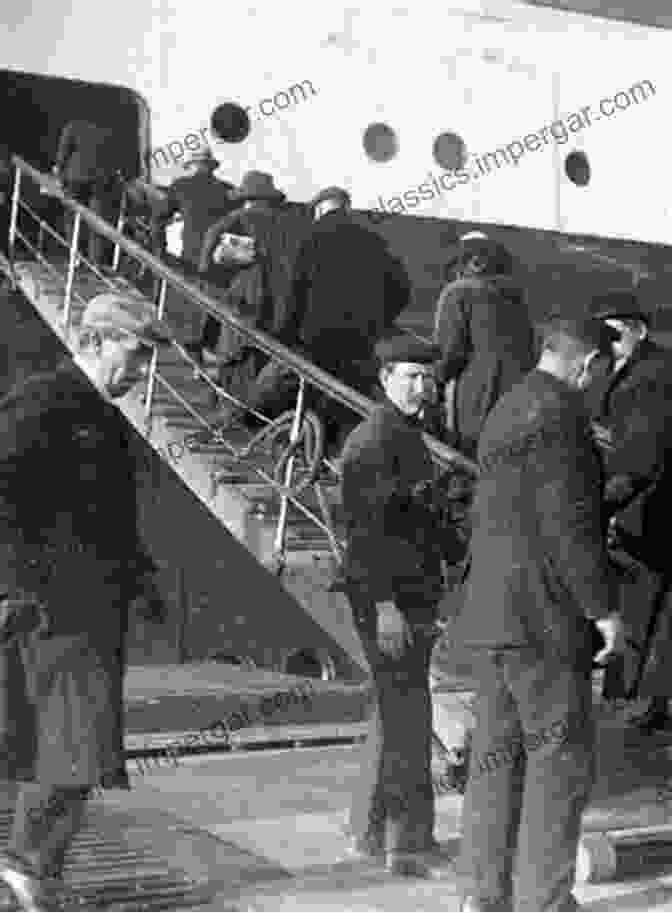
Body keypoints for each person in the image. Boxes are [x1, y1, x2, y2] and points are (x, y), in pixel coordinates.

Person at [0, 292, 172, 910]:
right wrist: (17, 584)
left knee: (75, 750)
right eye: (135, 353)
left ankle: (34, 871)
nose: (142, 371)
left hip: (94, 609)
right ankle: (26, 868)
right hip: (54, 611)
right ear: (94, 340)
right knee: (74, 747)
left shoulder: (97, 413)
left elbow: (103, 517)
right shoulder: (46, 401)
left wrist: (143, 579)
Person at [452, 316, 625, 912]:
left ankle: (483, 895)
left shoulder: (507, 407)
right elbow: (571, 530)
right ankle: (544, 902)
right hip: (545, 625)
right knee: (558, 764)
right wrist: (602, 609)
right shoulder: (566, 421)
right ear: (589, 365)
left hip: (491, 617)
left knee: (495, 761)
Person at [340, 335, 449, 880]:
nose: (422, 387)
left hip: (406, 597)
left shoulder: (402, 435)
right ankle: (409, 844)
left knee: (394, 717)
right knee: (409, 722)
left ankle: (370, 830)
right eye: (410, 376)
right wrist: (385, 605)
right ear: (384, 378)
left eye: (428, 377)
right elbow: (365, 533)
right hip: (389, 602)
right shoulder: (378, 441)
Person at [244, 185, 410, 444]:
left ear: (320, 208)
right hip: (359, 341)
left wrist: (285, 333)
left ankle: (274, 435)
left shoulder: (308, 237)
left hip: (313, 338)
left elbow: (293, 291)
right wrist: (378, 320)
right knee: (345, 401)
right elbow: (401, 290)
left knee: (292, 389)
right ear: (347, 207)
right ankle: (328, 457)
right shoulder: (374, 240)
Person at [588, 289, 672, 732]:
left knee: (649, 605)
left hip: (652, 501)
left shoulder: (660, 370)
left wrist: (613, 499)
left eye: (613, 331)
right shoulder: (600, 366)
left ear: (637, 330)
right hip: (612, 497)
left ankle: (646, 702)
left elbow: (649, 449)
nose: (606, 339)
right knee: (625, 601)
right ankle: (624, 697)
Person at [196, 171, 308, 418]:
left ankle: (232, 430)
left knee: (234, 387)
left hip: (242, 317)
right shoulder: (293, 228)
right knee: (268, 390)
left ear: (244, 197)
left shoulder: (231, 223)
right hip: (283, 323)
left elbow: (206, 270)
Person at [433, 235, 536, 457]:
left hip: (475, 407)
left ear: (474, 263)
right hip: (517, 407)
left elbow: (448, 356)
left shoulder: (458, 291)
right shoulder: (517, 299)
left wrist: (433, 382)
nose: (455, 274)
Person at [52, 120, 123, 267]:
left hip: (76, 177)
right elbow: (115, 157)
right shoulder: (108, 129)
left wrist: (58, 173)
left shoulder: (72, 126)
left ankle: (75, 257)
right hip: (101, 179)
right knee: (96, 220)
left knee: (72, 218)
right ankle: (95, 261)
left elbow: (63, 152)